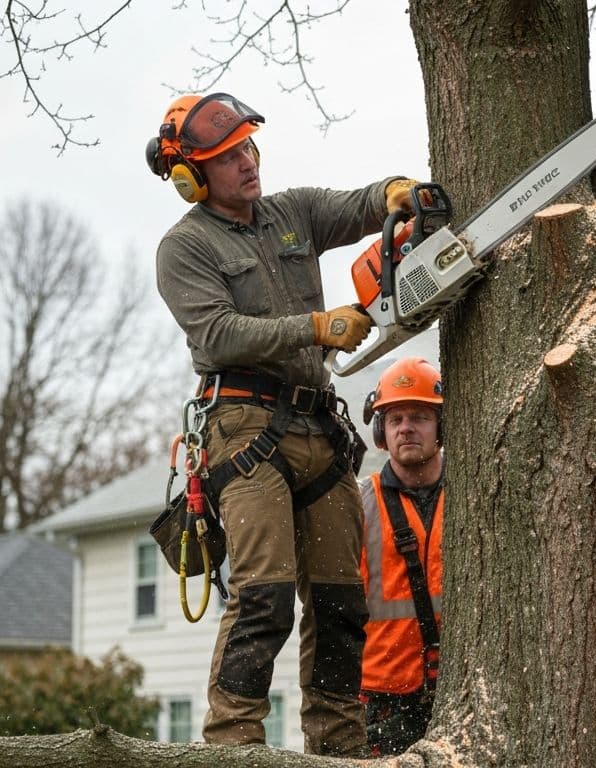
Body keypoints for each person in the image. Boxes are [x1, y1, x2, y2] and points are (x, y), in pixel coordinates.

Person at [148, 91, 422, 756]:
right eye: (228, 156)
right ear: (192, 175)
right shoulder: (183, 247)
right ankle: (234, 747)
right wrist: (316, 326)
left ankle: (337, 748)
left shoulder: (290, 213)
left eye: (248, 147)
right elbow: (217, 329)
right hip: (242, 429)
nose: (246, 162)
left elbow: (352, 207)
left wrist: (394, 192)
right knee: (264, 596)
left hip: (315, 427)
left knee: (339, 606)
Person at [359, 356, 445, 755]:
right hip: (383, 693)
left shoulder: (475, 489)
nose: (406, 427)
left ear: (441, 426)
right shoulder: (360, 504)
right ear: (381, 430)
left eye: (420, 417)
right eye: (395, 419)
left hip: (458, 684)